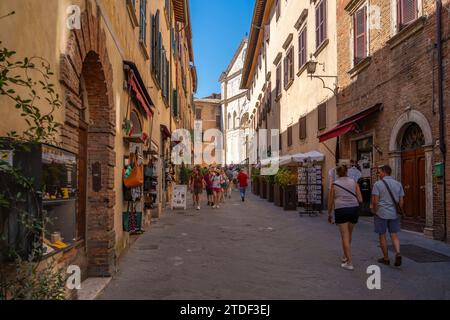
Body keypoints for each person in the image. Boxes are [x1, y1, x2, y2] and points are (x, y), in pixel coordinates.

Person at [327, 165, 363, 271]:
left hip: (341, 209)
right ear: (347, 172)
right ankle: (344, 256)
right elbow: (360, 199)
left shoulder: (334, 184)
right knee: (349, 234)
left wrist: (329, 213)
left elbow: (330, 201)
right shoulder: (354, 182)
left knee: (344, 236)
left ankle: (349, 262)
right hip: (353, 209)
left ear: (337, 173)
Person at [372, 165, 404, 267]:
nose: (379, 174)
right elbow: (401, 202)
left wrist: (375, 211)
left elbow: (375, 201)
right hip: (393, 213)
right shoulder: (398, 184)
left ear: (385, 172)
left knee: (382, 235)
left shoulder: (377, 184)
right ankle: (398, 252)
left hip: (381, 213)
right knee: (394, 234)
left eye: (380, 172)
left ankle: (386, 258)